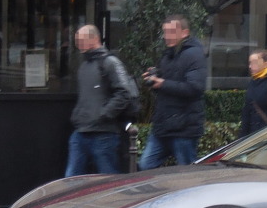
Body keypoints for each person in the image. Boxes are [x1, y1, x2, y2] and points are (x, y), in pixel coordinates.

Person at [139, 13, 207, 169]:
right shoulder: (168, 55)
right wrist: (155, 80)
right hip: (163, 127)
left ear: (185, 33)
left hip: (184, 129)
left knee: (186, 172)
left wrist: (162, 83)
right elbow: (168, 87)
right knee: (145, 166)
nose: (166, 36)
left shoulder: (194, 54)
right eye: (165, 32)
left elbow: (195, 88)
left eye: (171, 32)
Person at [65, 24, 134, 177]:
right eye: (77, 40)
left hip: (104, 134)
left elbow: (123, 93)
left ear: (95, 39)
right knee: (71, 178)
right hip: (82, 131)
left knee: (107, 177)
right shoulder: (84, 66)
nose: (78, 44)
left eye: (81, 39)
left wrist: (104, 115)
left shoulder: (110, 63)